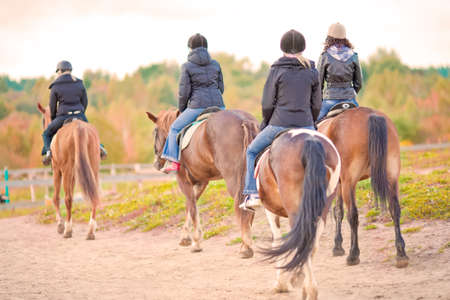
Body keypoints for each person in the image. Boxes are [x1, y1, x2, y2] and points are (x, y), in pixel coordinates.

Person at [240, 29, 321, 210]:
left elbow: (267, 103)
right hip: (306, 124)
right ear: (303, 47)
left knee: (252, 151)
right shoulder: (312, 71)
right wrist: (311, 122)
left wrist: (266, 123)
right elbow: (316, 104)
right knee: (326, 154)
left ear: (282, 47)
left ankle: (252, 194)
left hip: (279, 124)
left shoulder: (276, 70)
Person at [160, 33, 225, 173]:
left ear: (190, 48)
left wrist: (182, 110)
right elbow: (221, 88)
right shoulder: (216, 64)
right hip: (219, 105)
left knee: (174, 129)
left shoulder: (187, 66)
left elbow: (184, 92)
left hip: (197, 106)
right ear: (206, 48)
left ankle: (173, 162)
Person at [41, 60, 107, 165]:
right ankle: (99, 147)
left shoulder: (55, 86)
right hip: (79, 115)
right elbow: (85, 101)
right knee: (91, 132)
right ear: (70, 70)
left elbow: (52, 107)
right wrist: (80, 113)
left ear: (60, 71)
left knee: (46, 134)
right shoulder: (79, 83)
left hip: (63, 117)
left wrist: (54, 119)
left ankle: (48, 153)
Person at [316, 22, 363, 121]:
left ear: (329, 38)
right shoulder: (353, 55)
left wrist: (320, 98)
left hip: (330, 100)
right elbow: (359, 83)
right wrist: (351, 92)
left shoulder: (325, 56)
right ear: (344, 38)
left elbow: (318, 83)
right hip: (350, 99)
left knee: (313, 124)